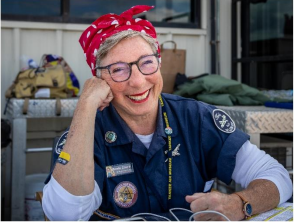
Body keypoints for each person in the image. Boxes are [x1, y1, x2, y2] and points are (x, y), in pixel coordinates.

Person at [42, 5, 292, 221]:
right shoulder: (85, 132)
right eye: (118, 69)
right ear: (99, 80)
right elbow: (64, 215)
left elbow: (276, 176)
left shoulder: (195, 118)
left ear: (159, 64)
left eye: (147, 62)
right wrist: (85, 106)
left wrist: (240, 203)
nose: (138, 82)